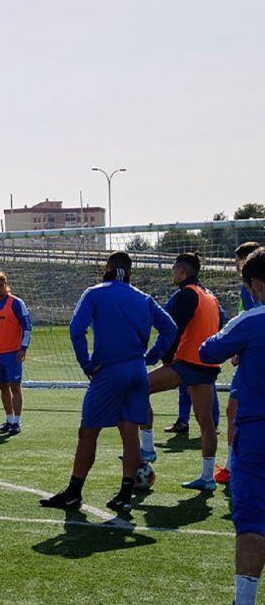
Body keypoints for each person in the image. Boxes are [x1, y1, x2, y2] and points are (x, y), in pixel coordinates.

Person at [41, 252, 177, 513]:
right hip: (137, 371)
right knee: (130, 432)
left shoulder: (94, 293)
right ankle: (126, 494)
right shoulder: (143, 298)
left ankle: (74, 492)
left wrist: (86, 364)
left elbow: (76, 330)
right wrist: (150, 358)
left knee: (88, 431)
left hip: (109, 371)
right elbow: (170, 328)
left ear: (107, 268)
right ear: (130, 273)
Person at [199, 246, 265, 605]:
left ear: (256, 284)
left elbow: (209, 351)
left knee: (252, 520)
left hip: (256, 432)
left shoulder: (251, 320)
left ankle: (245, 600)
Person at [139, 252, 226, 490]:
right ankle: (207, 478)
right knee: (206, 423)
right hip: (207, 366)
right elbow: (221, 324)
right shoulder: (210, 296)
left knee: (138, 388)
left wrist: (163, 358)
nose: (171, 273)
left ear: (182, 272)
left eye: (174, 269)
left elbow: (172, 331)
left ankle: (147, 449)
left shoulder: (186, 295)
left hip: (187, 363)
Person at [216, 241, 262, 485]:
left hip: (252, 358)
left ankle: (236, 465)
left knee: (237, 410)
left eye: (241, 262)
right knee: (232, 409)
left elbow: (249, 320)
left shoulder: (251, 288)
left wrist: (238, 348)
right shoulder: (247, 288)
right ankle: (232, 463)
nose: (237, 267)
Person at [0, 271, 32, 435]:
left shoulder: (16, 303)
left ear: (6, 285)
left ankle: (17, 421)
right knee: (2, 387)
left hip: (13, 353)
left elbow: (27, 327)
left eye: (2, 285)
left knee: (15, 387)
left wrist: (23, 348)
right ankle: (9, 419)